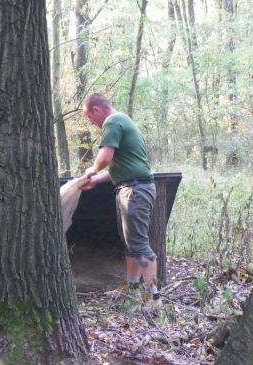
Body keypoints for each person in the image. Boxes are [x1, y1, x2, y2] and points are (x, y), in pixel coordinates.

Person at [79, 93, 162, 309]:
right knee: (130, 242)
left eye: (89, 118)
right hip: (130, 186)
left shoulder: (113, 121)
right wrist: (96, 180)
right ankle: (132, 286)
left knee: (139, 242)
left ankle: (154, 297)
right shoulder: (123, 121)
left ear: (97, 110)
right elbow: (125, 167)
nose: (91, 123)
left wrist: (92, 169)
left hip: (135, 190)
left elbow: (105, 158)